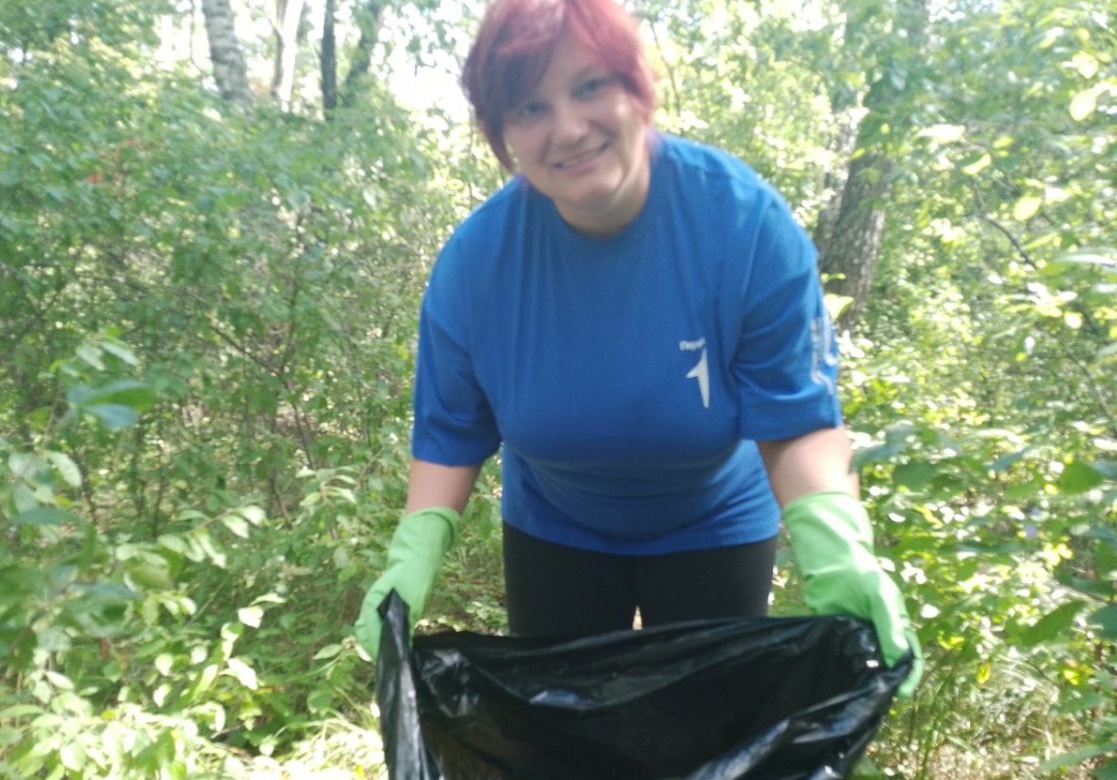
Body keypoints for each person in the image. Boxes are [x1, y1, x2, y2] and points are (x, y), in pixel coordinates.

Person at [355, 0, 922, 696]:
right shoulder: (478, 265)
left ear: (636, 88)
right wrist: (414, 553)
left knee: (706, 742)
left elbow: (796, 415)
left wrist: (838, 547)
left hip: (716, 522)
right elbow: (451, 430)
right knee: (563, 742)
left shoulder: (742, 225)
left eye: (591, 86)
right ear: (501, 135)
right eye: (530, 107)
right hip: (555, 526)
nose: (567, 128)